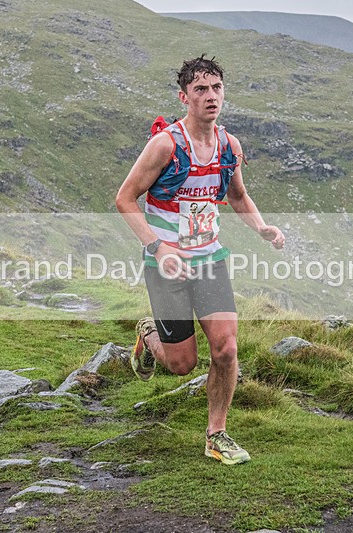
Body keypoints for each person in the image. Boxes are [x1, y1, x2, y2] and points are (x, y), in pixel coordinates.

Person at [115, 55, 285, 465]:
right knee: (181, 364)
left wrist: (261, 227)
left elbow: (238, 196)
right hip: (167, 265)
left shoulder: (229, 145)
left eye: (216, 88)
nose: (211, 97)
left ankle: (217, 435)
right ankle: (149, 334)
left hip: (210, 259)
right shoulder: (166, 145)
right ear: (184, 97)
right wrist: (159, 247)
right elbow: (124, 199)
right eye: (201, 90)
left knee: (226, 349)